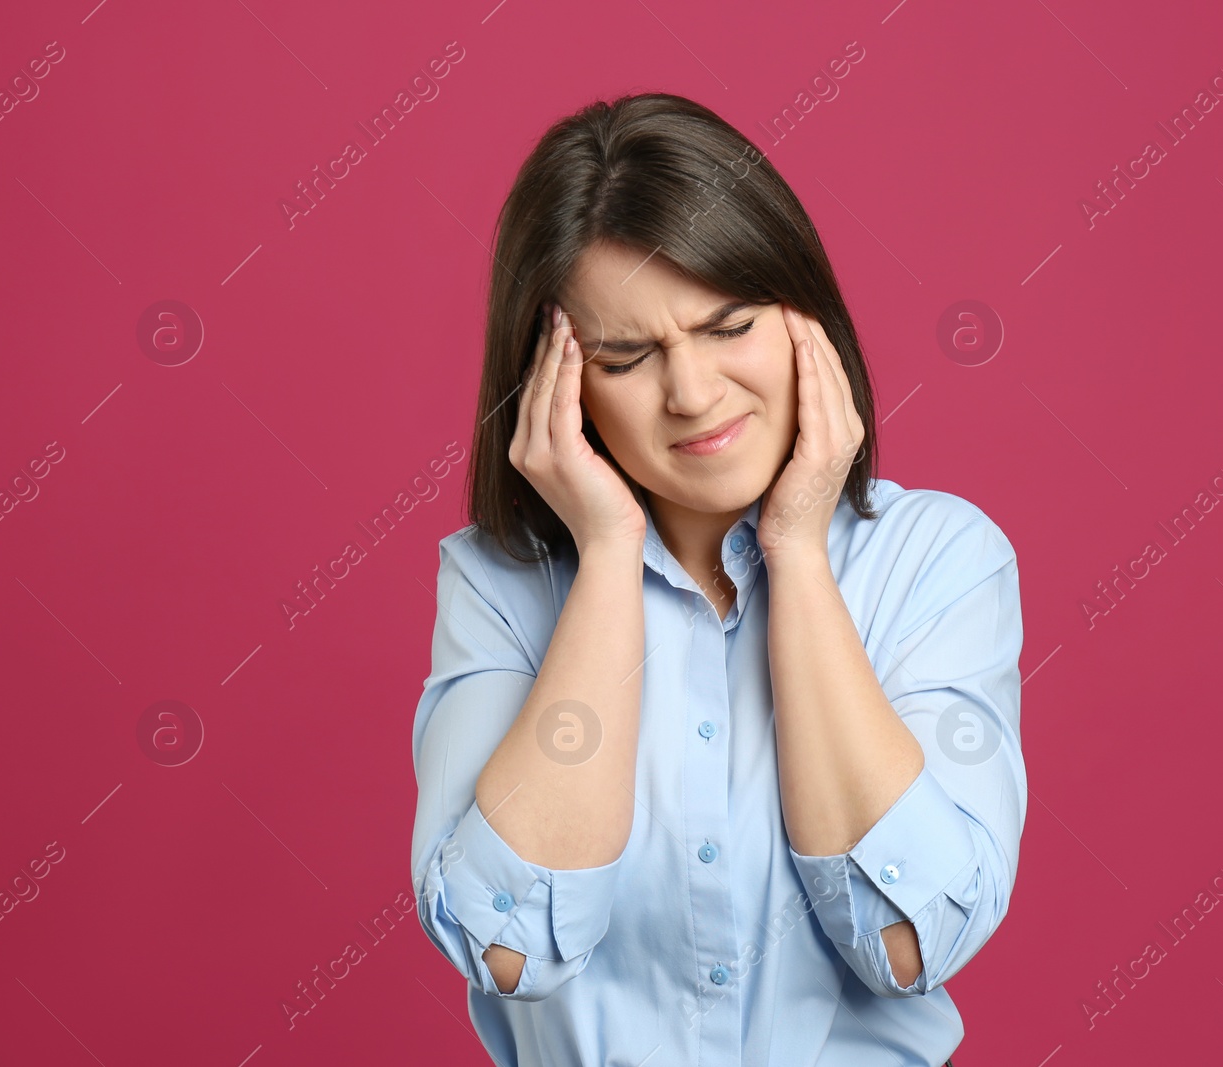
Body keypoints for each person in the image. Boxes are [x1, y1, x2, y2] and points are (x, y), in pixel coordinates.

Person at [409, 91, 1024, 1067]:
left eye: (727, 324)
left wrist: (800, 553)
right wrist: (608, 554)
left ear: (802, 313)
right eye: (626, 355)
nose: (691, 394)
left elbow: (909, 943)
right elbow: (506, 944)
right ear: (555, 382)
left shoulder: (938, 559)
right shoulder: (497, 585)